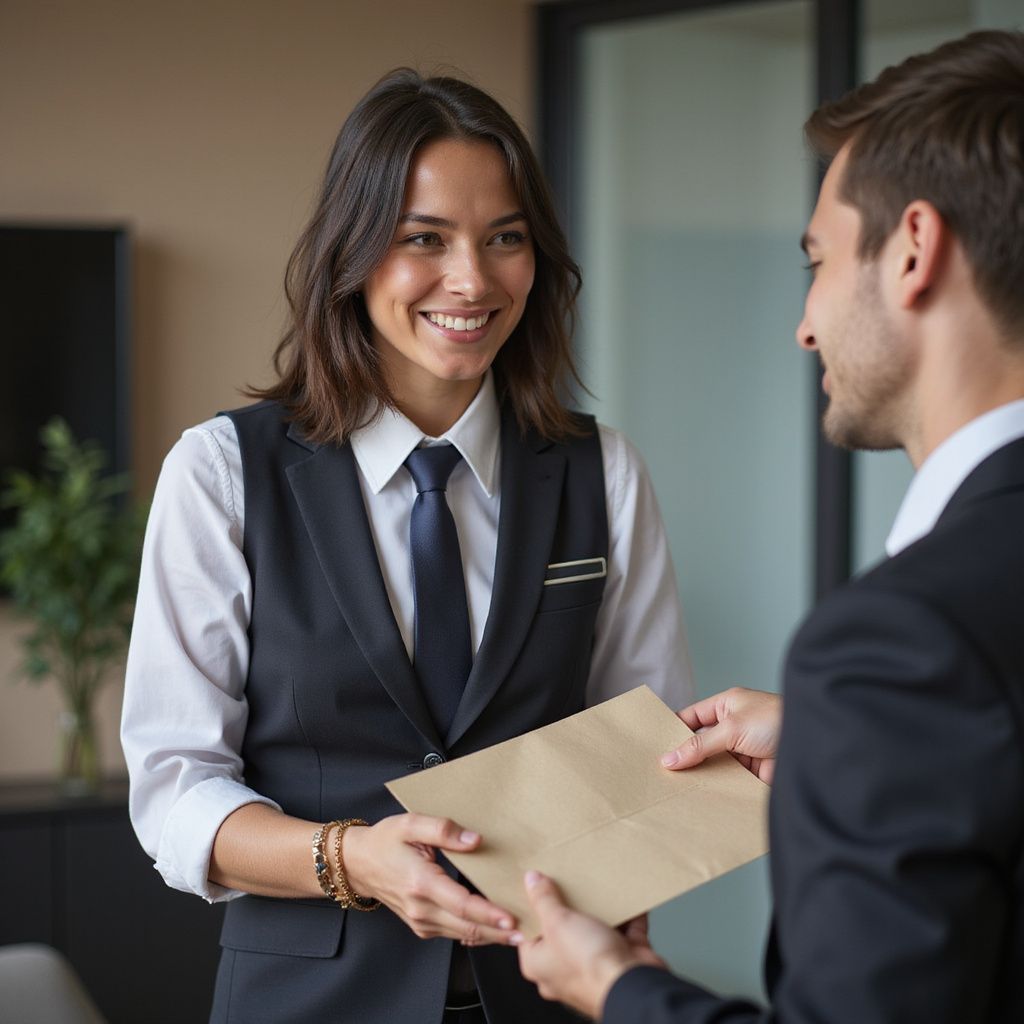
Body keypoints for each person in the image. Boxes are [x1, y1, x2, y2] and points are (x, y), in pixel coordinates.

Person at [120, 69, 693, 1024]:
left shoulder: (603, 472)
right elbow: (176, 794)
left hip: (549, 996)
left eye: (505, 238)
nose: (472, 280)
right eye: (423, 239)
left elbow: (645, 756)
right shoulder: (222, 474)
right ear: (354, 254)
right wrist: (349, 860)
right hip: (303, 1000)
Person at [514, 28, 1024, 1024]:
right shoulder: (914, 675)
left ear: (914, 249)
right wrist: (859, 742)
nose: (803, 323)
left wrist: (615, 987)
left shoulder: (895, 643)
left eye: (818, 260)